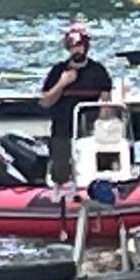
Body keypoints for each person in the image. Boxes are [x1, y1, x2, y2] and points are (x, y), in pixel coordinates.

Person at [40, 23, 113, 186]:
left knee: (90, 169)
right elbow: (45, 102)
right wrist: (62, 83)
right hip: (62, 131)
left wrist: (100, 126)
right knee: (60, 172)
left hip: (88, 132)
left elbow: (106, 104)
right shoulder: (58, 70)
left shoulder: (98, 71)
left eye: (79, 45)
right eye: (72, 46)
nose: (76, 50)